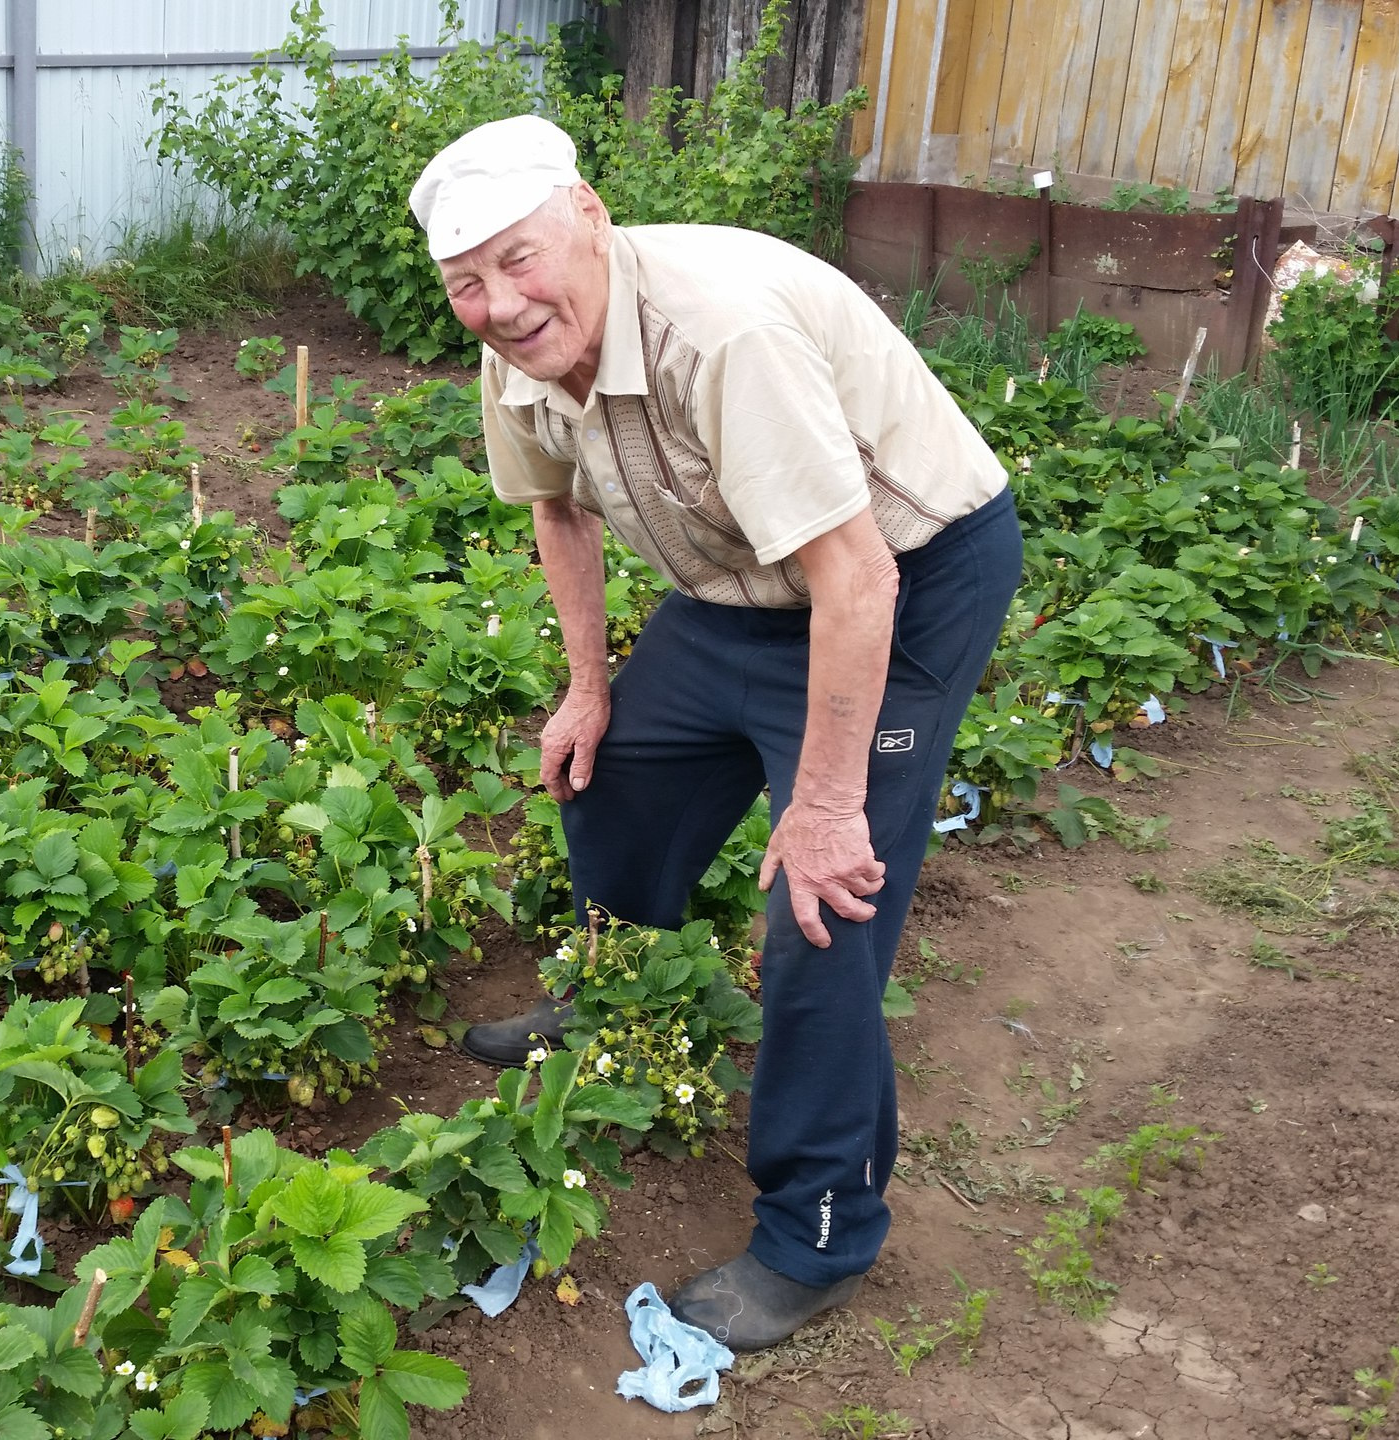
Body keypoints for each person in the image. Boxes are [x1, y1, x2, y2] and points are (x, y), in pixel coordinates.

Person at [407, 114, 1023, 1350]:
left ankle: (818, 1233)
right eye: (465, 281)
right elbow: (558, 513)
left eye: (519, 260)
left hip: (898, 577)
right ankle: (617, 993)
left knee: (820, 897)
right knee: (613, 768)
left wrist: (827, 802)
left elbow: (856, 578)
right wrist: (588, 685)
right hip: (737, 590)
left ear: (588, 215)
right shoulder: (518, 354)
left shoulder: (717, 331)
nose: (500, 303)